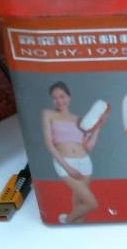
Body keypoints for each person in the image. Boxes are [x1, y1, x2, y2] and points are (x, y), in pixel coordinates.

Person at [42, 82, 108, 223]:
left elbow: (88, 147)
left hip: (85, 162)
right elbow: (49, 144)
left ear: (69, 97)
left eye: (62, 96)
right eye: (54, 98)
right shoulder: (48, 114)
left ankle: (78, 228)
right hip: (65, 162)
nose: (59, 101)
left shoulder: (80, 120)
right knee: (92, 203)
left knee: (80, 202)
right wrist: (68, 168)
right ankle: (67, 221)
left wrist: (98, 126)